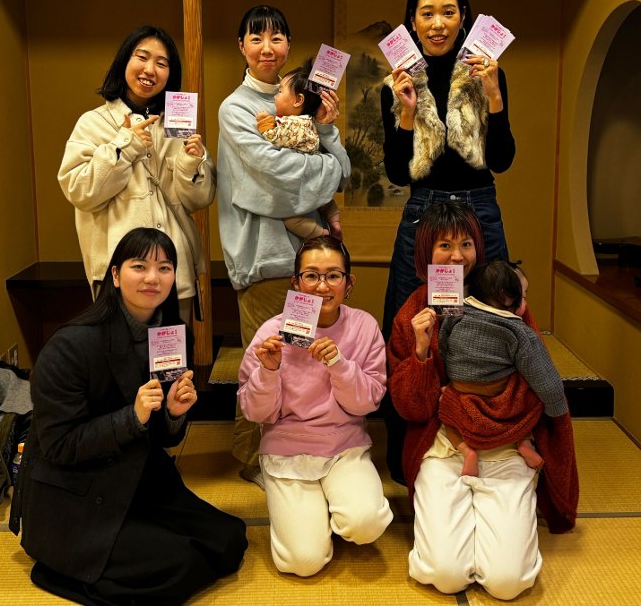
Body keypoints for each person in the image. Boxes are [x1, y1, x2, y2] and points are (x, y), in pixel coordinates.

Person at [14, 228, 247, 605]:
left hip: (137, 478)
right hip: (77, 491)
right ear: (116, 275)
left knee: (229, 540)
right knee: (177, 565)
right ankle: (57, 568)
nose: (153, 278)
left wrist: (172, 414)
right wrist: (133, 417)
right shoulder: (71, 345)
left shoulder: (171, 336)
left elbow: (165, 439)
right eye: (139, 266)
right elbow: (58, 446)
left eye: (164, 268)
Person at [387, 202, 578, 601]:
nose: (457, 256)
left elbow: (537, 379)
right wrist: (421, 352)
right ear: (425, 254)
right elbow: (410, 409)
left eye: (466, 244)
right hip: (443, 448)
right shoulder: (412, 313)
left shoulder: (504, 301)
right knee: (446, 575)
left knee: (508, 582)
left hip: (507, 445)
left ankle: (497, 517)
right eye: (444, 245)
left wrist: (488, 412)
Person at [218, 4, 350, 486]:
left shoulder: (305, 97)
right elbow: (275, 177)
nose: (267, 48)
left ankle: (294, 449)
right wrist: (327, 171)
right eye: (256, 38)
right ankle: (253, 458)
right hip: (266, 257)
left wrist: (328, 132)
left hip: (309, 261)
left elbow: (344, 170)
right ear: (241, 46)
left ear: (289, 45)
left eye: (276, 38)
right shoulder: (237, 109)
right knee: (267, 357)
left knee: (302, 359)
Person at [238, 235, 392, 576]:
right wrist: (268, 370)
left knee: (366, 524)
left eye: (333, 275)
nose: (322, 286)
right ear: (296, 283)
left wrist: (339, 364)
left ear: (348, 283)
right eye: (311, 275)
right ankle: (305, 511)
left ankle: (329, 507)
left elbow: (368, 402)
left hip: (344, 447)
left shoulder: (364, 326)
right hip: (286, 449)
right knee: (303, 562)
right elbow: (254, 412)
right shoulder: (272, 331)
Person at [381, 0, 515, 335]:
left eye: (448, 12)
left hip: (479, 209)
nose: (438, 24)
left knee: (493, 315)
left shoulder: (487, 74)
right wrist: (407, 112)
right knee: (408, 319)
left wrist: (494, 95)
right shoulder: (396, 85)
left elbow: (502, 161)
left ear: (463, 17)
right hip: (423, 209)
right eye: (427, 14)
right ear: (413, 21)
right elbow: (397, 173)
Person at [59, 25, 214, 323]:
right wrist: (126, 145)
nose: (150, 69)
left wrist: (191, 163)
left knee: (172, 351)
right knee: (121, 350)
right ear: (124, 61)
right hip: (119, 276)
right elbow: (80, 191)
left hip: (174, 273)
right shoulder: (93, 123)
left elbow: (198, 200)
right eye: (142, 57)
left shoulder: (177, 125)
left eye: (161, 63)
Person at [437, 258, 568, 478]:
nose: (525, 303)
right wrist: (557, 411)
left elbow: (443, 345)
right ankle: (524, 441)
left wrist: (452, 374)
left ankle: (466, 451)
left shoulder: (457, 314)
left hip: (461, 394)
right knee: (530, 396)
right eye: (523, 297)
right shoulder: (519, 332)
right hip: (501, 401)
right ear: (506, 296)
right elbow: (546, 379)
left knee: (446, 413)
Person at [254, 58, 343, 240]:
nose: (275, 96)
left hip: (302, 185)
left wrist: (265, 124)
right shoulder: (311, 121)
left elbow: (275, 137)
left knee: (290, 217)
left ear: (299, 100)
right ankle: (334, 221)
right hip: (318, 183)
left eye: (280, 92)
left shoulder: (293, 124)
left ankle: (320, 233)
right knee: (326, 201)